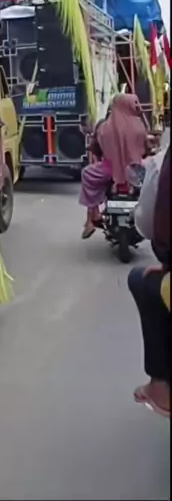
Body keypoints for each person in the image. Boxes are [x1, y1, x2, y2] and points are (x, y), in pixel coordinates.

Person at [128, 142, 170, 418]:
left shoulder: (162, 160)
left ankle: (160, 384)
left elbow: (146, 224)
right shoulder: (141, 129)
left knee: (140, 280)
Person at [79, 94, 148, 239]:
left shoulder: (104, 128)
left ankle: (92, 214)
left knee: (87, 173)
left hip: (110, 170)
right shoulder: (140, 127)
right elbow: (146, 149)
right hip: (135, 170)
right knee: (155, 175)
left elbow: (97, 148)